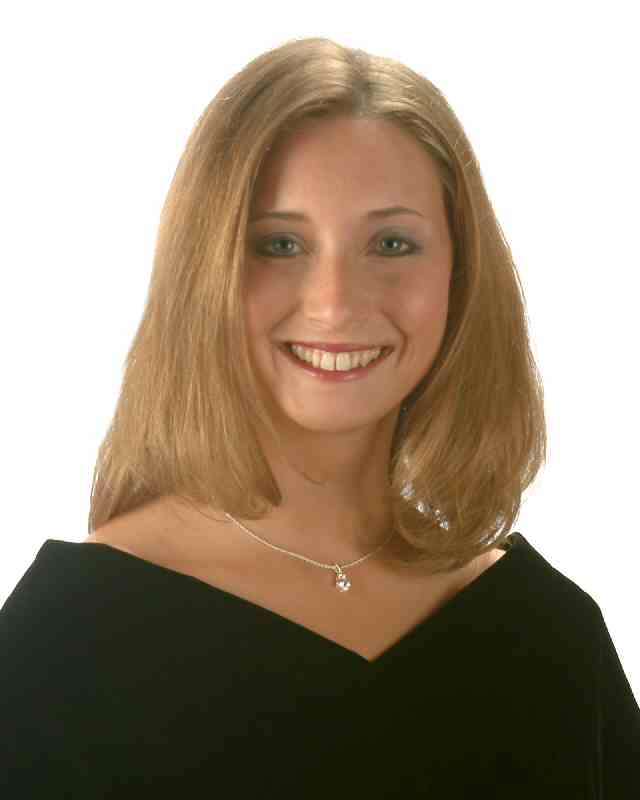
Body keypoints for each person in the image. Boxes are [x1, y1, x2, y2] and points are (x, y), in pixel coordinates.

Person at [1, 37, 638, 799]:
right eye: (279, 243)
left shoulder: (549, 635)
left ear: (461, 275)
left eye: (392, 243)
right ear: (202, 274)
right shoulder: (66, 639)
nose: (335, 303)